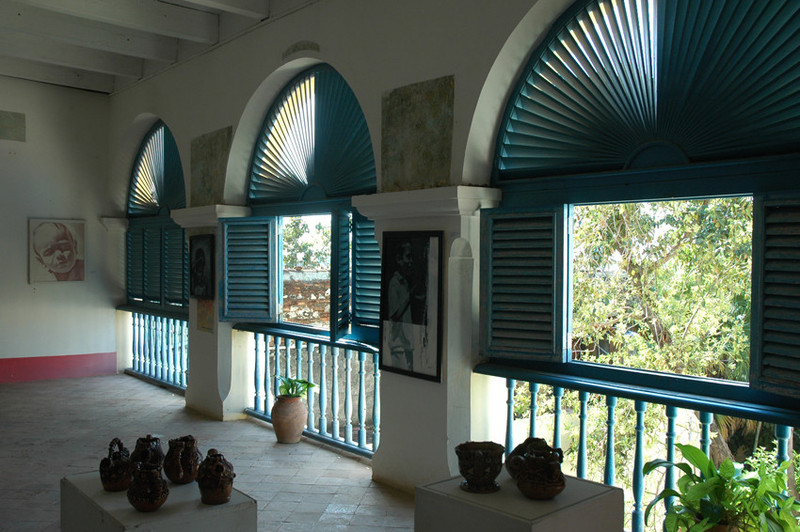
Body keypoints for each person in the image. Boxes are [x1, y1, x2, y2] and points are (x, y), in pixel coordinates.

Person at [387, 241, 416, 371]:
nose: (411, 262)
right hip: (399, 345)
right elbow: (395, 315)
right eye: (408, 257)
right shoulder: (394, 283)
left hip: (407, 344)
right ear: (399, 259)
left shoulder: (405, 282)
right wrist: (410, 297)